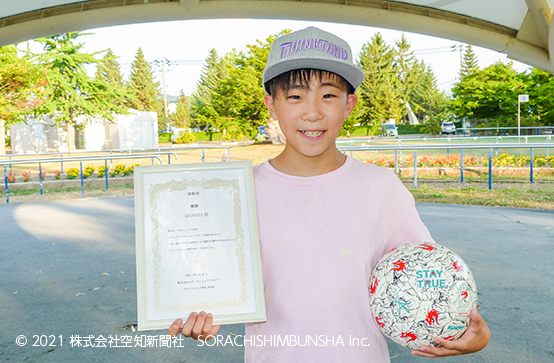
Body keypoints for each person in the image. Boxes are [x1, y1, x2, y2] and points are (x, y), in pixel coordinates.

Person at [168, 26, 490, 362]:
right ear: (272, 105)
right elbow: (207, 281)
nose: (312, 112)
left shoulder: (381, 188)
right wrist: (198, 310)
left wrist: (473, 333)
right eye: (294, 96)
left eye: (328, 95)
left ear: (349, 103)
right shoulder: (234, 195)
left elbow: (431, 279)